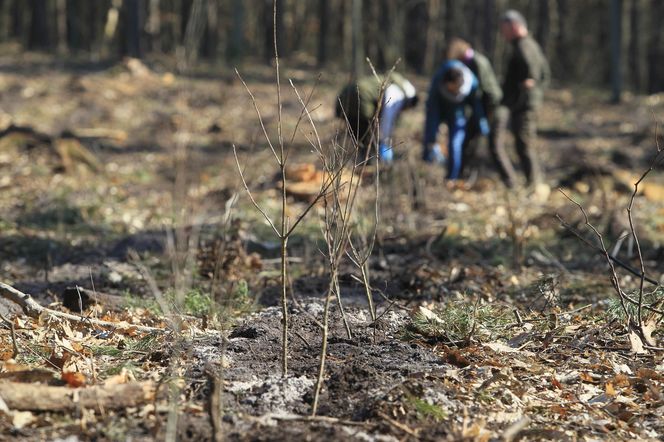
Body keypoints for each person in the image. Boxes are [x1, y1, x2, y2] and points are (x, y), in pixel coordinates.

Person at [496, 9, 551, 192]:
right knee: (524, 143)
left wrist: (530, 84)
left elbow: (536, 73)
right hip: (525, 102)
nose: (503, 35)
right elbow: (545, 73)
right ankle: (534, 182)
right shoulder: (530, 44)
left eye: (505, 30)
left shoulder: (524, 46)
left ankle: (534, 184)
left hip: (524, 104)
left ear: (515, 26)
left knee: (524, 144)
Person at [447, 37, 514, 187]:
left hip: (494, 109)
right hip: (482, 109)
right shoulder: (469, 63)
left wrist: (485, 115)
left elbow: (487, 91)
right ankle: (464, 177)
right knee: (469, 142)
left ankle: (511, 182)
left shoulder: (478, 62)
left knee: (495, 147)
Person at [423, 59, 489, 180]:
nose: (452, 92)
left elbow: (476, 105)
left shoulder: (472, 83)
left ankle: (452, 177)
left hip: (458, 112)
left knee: (455, 144)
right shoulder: (439, 77)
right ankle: (426, 171)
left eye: (454, 90)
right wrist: (432, 136)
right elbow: (432, 106)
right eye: (450, 89)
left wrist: (482, 124)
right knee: (430, 139)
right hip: (439, 107)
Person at [335, 72, 418, 163]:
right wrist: (384, 141)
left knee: (358, 137)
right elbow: (387, 117)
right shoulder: (397, 93)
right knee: (367, 139)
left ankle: (358, 163)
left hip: (344, 95)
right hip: (362, 99)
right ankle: (367, 165)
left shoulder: (390, 82)